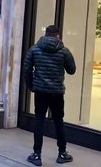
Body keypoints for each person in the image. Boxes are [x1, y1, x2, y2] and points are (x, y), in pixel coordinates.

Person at [24, 25, 76, 166]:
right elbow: (72, 70)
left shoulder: (34, 49)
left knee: (39, 120)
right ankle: (62, 153)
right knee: (59, 121)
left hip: (40, 91)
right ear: (58, 36)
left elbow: (26, 69)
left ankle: (37, 155)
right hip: (57, 92)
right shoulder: (64, 51)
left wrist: (31, 86)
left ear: (45, 34)